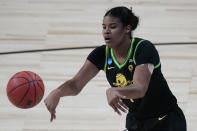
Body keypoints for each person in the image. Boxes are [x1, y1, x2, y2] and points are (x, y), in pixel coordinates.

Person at [44, 6, 187, 131]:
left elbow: (140, 88)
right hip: (137, 122)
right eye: (104, 27)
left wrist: (115, 90)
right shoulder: (101, 54)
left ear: (127, 28)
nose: (106, 31)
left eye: (112, 27)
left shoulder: (144, 48)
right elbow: (76, 84)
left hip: (166, 121)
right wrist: (58, 92)